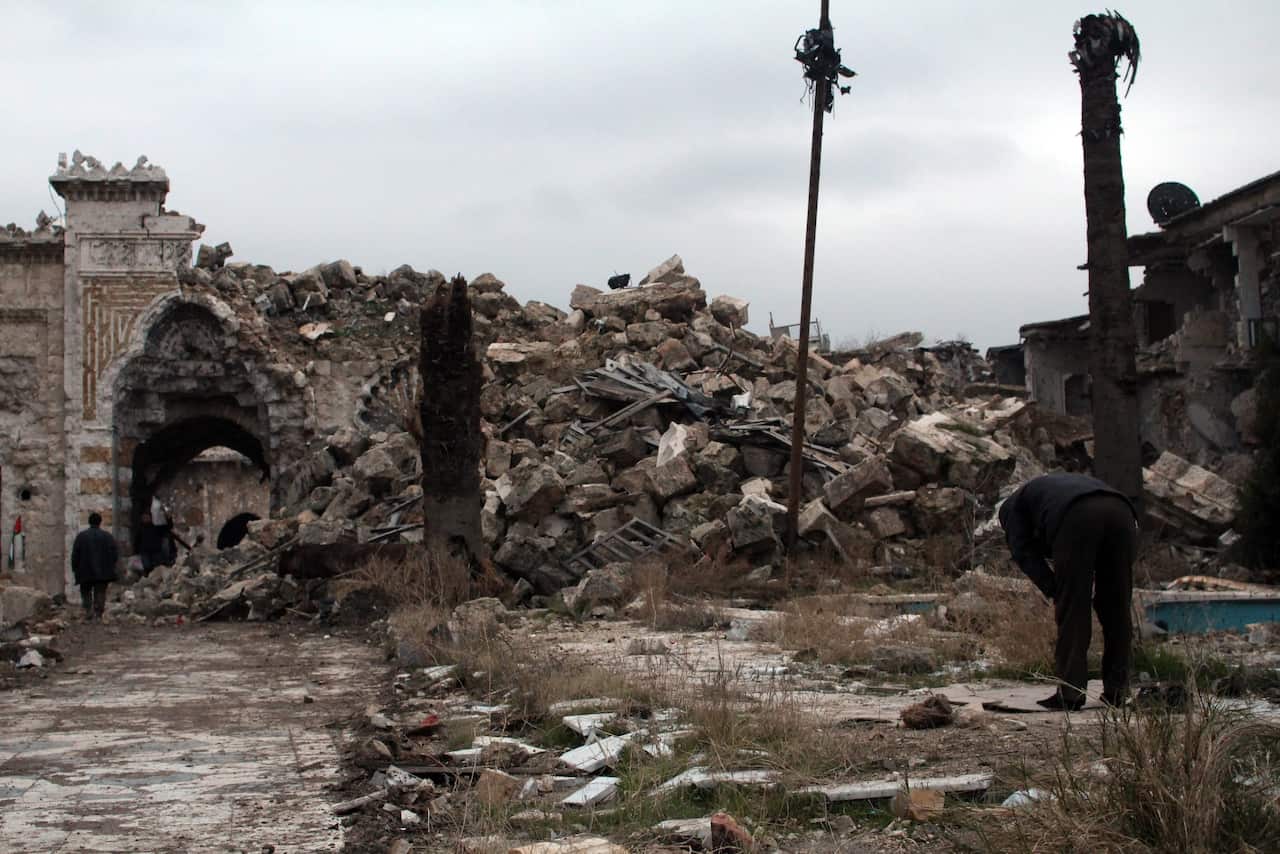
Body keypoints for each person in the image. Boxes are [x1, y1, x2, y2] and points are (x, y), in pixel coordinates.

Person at [998, 473, 1139, 710]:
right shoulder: (1047, 492)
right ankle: (1117, 690)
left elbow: (1024, 553)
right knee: (1117, 609)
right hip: (1122, 511)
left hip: (1076, 515)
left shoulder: (1012, 512)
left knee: (1074, 609)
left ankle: (1070, 693)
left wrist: (1055, 588)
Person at [70, 511, 118, 621]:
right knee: (100, 591)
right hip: (103, 570)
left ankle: (88, 611)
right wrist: (111, 566)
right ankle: (98, 613)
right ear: (100, 522)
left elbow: (75, 554)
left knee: (86, 591)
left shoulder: (81, 537)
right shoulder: (107, 537)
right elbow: (114, 554)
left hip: (85, 570)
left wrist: (75, 568)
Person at [133, 508, 193, 575]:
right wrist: (136, 552)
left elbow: (167, 527)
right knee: (147, 567)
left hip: (156, 551)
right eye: (144, 517)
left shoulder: (156, 527)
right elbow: (137, 541)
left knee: (158, 567)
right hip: (145, 552)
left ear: (150, 517)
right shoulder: (140, 530)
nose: (145, 519)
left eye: (147, 517)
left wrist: (168, 518)